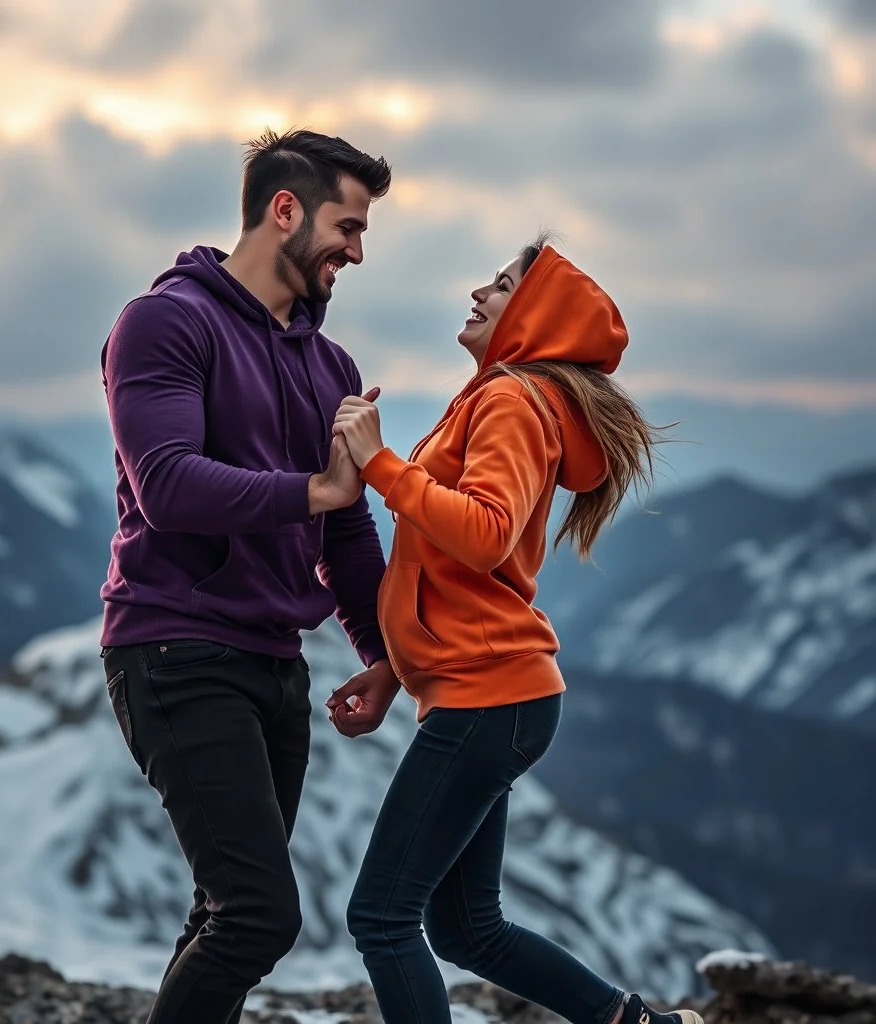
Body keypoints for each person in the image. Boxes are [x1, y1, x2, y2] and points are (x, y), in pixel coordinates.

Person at [326, 237, 703, 1024]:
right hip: (491, 694)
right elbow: (445, 568)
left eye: (499, 286)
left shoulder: (510, 402)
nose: (477, 292)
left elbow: (487, 533)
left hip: (487, 698)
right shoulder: (499, 397)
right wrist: (393, 672)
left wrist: (381, 465)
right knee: (467, 928)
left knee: (382, 916)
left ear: (534, 314)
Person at [98, 129, 401, 1024]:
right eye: (347, 226)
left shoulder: (330, 366)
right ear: (285, 211)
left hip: (277, 664)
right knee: (262, 916)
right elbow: (168, 487)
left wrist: (385, 657)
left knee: (225, 912)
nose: (356, 250)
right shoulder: (164, 322)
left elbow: (345, 531)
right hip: (175, 647)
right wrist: (315, 486)